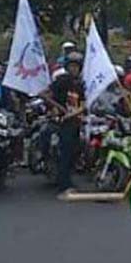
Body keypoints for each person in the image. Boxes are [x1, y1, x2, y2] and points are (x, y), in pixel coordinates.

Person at [50, 52, 82, 197]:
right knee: (66, 153)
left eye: (76, 66)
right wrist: (56, 110)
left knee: (75, 151)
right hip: (62, 121)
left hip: (75, 121)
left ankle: (65, 178)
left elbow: (83, 103)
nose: (74, 69)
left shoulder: (80, 84)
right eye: (72, 66)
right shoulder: (61, 81)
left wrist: (75, 113)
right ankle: (64, 184)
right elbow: (50, 96)